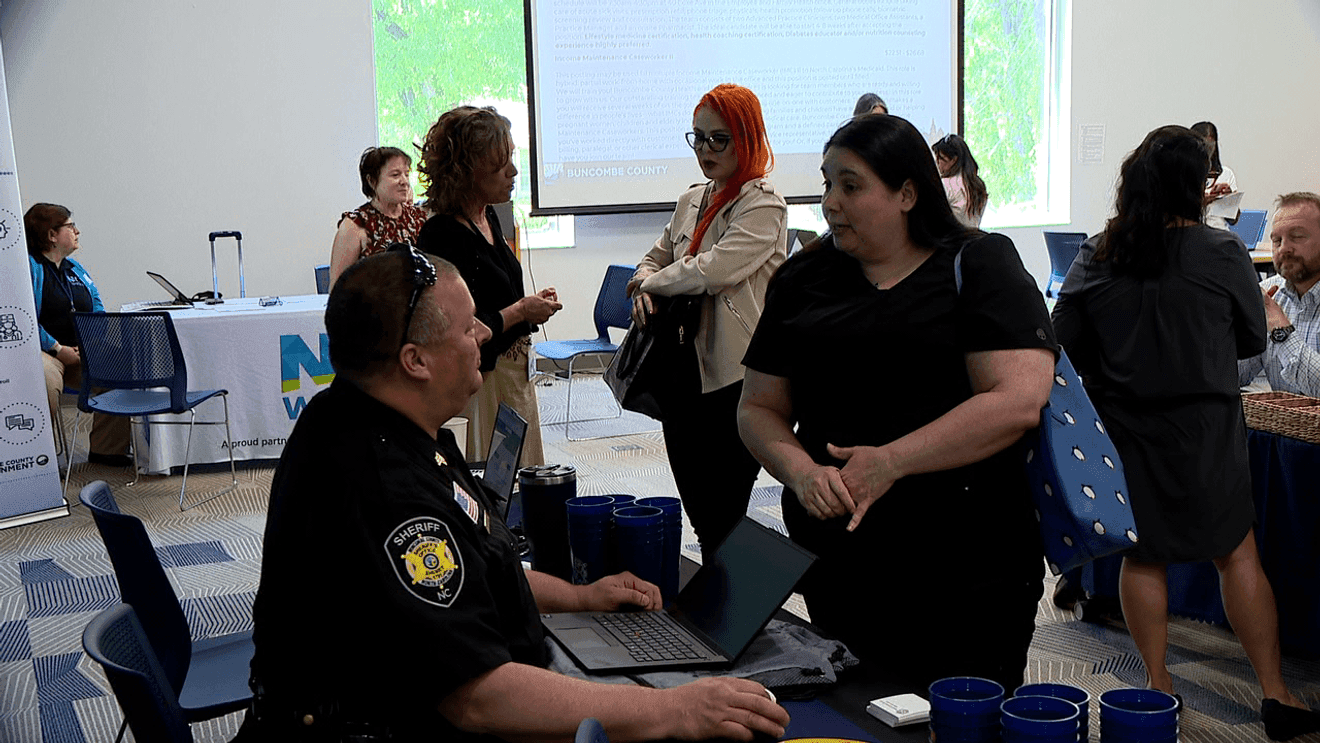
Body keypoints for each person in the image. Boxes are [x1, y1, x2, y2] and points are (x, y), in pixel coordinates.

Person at [241, 248, 789, 742]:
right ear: (416, 361)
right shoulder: (383, 487)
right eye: (465, 327)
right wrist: (671, 712)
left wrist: (577, 597)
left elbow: (464, 564)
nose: (484, 333)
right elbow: (478, 698)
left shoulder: (379, 421)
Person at [737, 114, 1054, 692]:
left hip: (969, 561)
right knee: (869, 708)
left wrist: (890, 461)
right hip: (843, 559)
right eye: (827, 182)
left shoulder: (980, 265)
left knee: (963, 717)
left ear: (908, 193)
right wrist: (802, 471)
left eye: (851, 186)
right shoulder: (802, 278)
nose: (831, 203)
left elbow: (1017, 401)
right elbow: (758, 407)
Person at [1052, 126, 1320, 740]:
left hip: (1126, 429)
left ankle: (1157, 686)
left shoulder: (1098, 251)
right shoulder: (1223, 252)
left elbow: (1060, 339)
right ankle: (1276, 694)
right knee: (1237, 554)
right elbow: (1254, 340)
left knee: (1144, 558)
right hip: (1207, 429)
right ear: (1193, 188)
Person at [628, 83, 787, 556]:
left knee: (725, 512)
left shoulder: (764, 206)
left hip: (736, 378)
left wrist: (654, 283)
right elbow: (652, 259)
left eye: (720, 139)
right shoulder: (689, 200)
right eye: (698, 137)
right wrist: (642, 281)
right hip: (679, 372)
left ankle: (746, 618)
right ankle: (719, 615)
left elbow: (712, 270)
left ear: (748, 138)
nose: (705, 150)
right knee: (700, 510)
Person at [416, 106, 559, 465]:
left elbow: (496, 297)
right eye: (501, 164)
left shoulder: (489, 215)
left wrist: (527, 308)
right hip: (482, 381)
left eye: (511, 158)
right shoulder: (442, 234)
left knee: (525, 482)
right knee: (495, 482)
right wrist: (520, 311)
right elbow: (458, 328)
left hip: (514, 375)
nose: (512, 172)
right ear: (468, 171)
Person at [25, 203, 131, 466]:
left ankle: (108, 450)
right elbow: (23, 316)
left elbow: (97, 308)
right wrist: (57, 348)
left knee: (120, 366)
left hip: (80, 350)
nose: (77, 232)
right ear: (51, 235)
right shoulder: (28, 268)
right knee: (46, 382)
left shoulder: (75, 270)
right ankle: (39, 459)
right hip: (43, 352)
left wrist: (91, 343)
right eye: (70, 226)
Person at [1238, 192, 1320, 397]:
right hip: (1280, 425)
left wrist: (1280, 329)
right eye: (1277, 240)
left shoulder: (1271, 308)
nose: (1283, 249)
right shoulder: (1269, 294)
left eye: (1297, 237)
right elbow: (1236, 375)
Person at [328, 146, 429, 286]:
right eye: (395, 175)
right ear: (372, 181)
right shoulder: (356, 225)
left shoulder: (418, 217)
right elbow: (337, 289)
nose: (404, 181)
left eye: (406, 174)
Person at [932, 133, 988, 228]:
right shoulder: (979, 186)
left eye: (941, 158)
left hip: (951, 240)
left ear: (954, 160)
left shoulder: (945, 185)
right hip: (974, 238)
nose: (937, 162)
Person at [1191, 121, 1239, 230]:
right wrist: (1200, 202)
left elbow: (1233, 220)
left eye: (1210, 146)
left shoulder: (1226, 174)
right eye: (1203, 145)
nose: (1206, 151)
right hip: (1193, 234)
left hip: (1220, 234)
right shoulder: (1182, 174)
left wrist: (1229, 199)